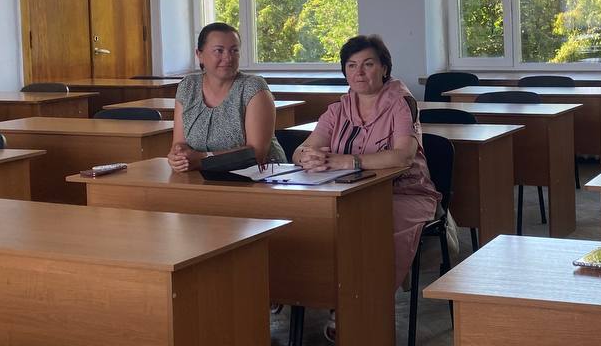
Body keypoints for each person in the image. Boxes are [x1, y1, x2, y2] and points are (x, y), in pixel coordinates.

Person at [296, 34, 445, 297]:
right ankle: (311, 292)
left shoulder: (401, 103)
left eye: (368, 64)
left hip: (402, 193)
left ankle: (362, 301)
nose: (359, 72)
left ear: (384, 68)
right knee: (307, 223)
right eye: (352, 65)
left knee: (364, 227)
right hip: (348, 193)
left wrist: (350, 161)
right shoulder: (338, 109)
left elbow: (403, 156)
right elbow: (301, 150)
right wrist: (307, 157)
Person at [168, 22, 283, 172]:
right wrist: (179, 156)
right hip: (201, 175)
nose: (228, 58)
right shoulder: (188, 86)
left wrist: (204, 159)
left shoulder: (253, 87)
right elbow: (179, 143)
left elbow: (257, 153)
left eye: (234, 50)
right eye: (219, 51)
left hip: (260, 176)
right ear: (200, 55)